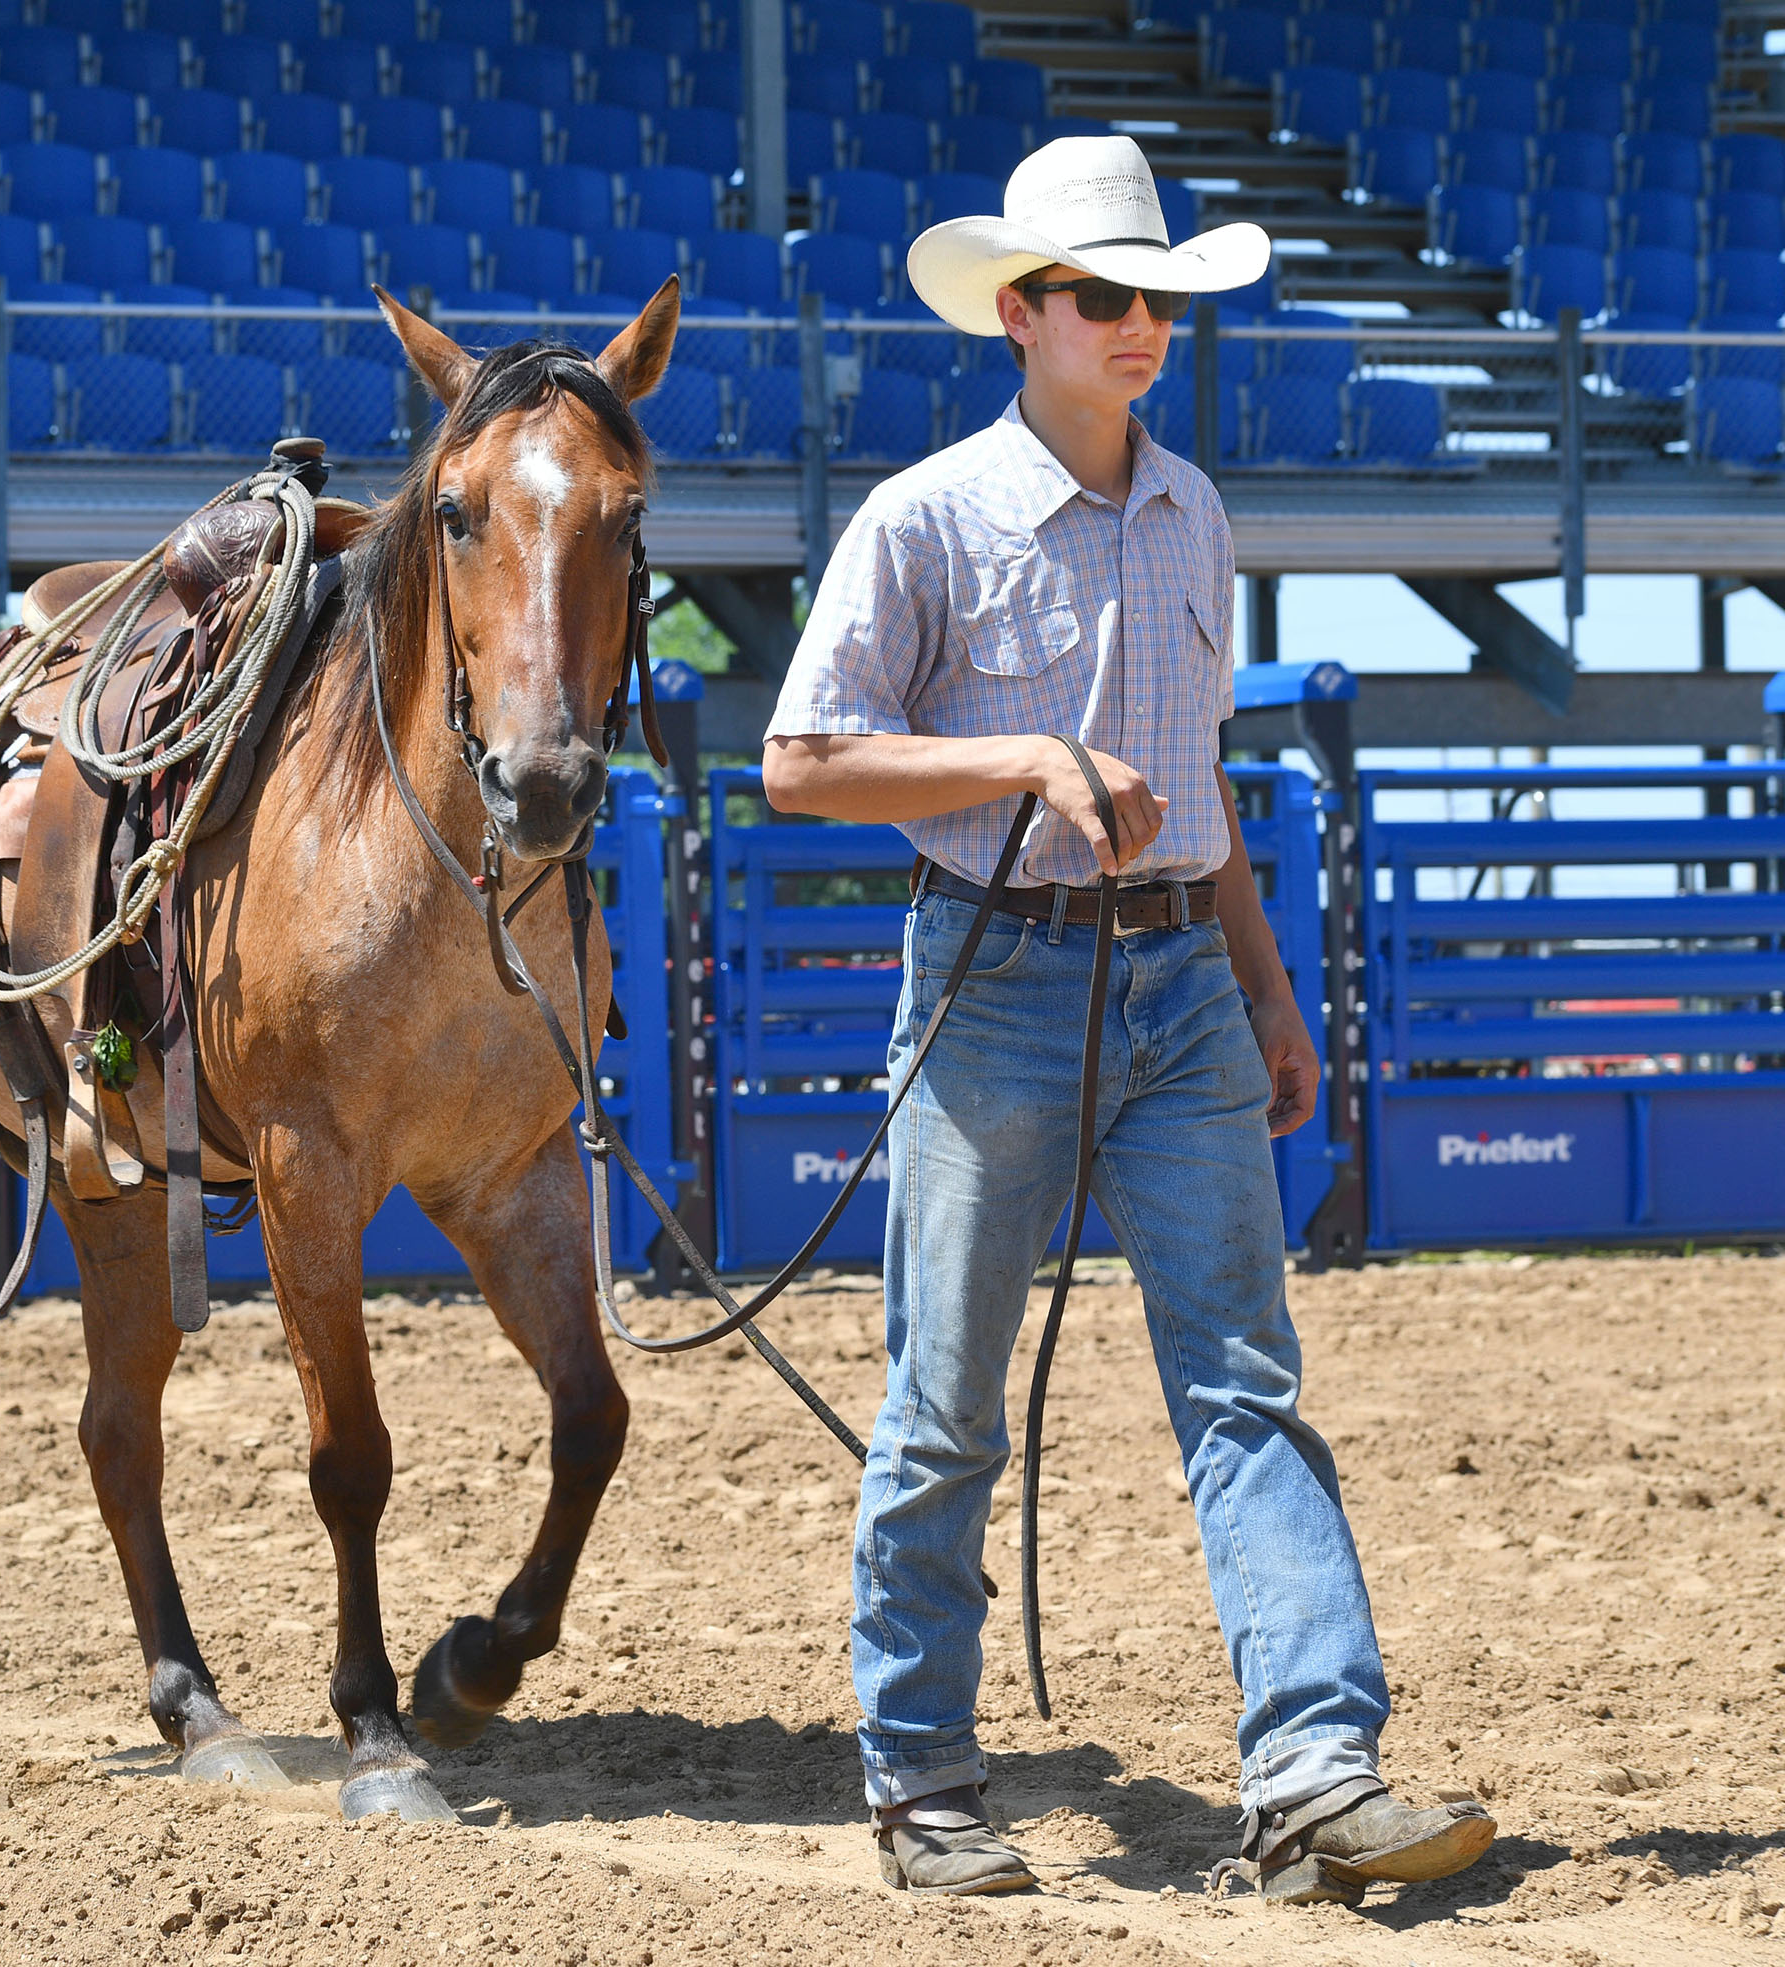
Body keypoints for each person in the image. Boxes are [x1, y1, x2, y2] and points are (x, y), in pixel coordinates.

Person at [761, 136, 1496, 1906]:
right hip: (991, 986)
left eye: (1158, 294)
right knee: (945, 1405)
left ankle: (1318, 1770)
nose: (1142, 322)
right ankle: (922, 1770)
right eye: (1105, 296)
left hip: (1183, 992)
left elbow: (1208, 781)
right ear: (1020, 313)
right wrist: (1025, 756)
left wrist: (1266, 983)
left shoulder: (1197, 509)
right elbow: (799, 762)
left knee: (1247, 1384)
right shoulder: (923, 515)